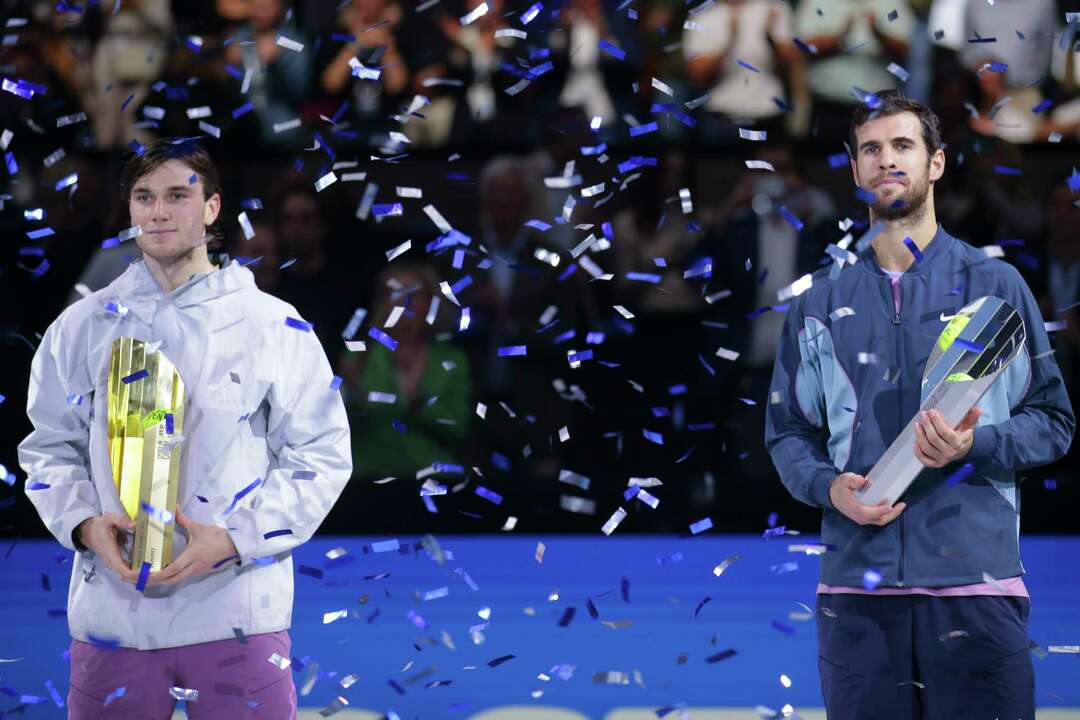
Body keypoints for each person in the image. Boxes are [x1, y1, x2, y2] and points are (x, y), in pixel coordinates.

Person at [764, 91, 1075, 719]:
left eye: (903, 145)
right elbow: (787, 434)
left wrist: (975, 445)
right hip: (858, 590)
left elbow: (1055, 422)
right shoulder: (818, 304)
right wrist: (831, 490)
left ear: (936, 162)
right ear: (854, 171)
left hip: (976, 587)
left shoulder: (997, 287)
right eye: (871, 150)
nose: (887, 161)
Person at [19, 138, 352, 718]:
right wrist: (82, 526)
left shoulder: (272, 325)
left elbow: (321, 457)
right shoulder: (80, 327)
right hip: (114, 620)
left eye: (178, 194)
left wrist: (235, 540)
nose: (158, 211)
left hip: (236, 616)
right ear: (129, 210)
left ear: (212, 208)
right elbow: (48, 448)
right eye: (144, 197)